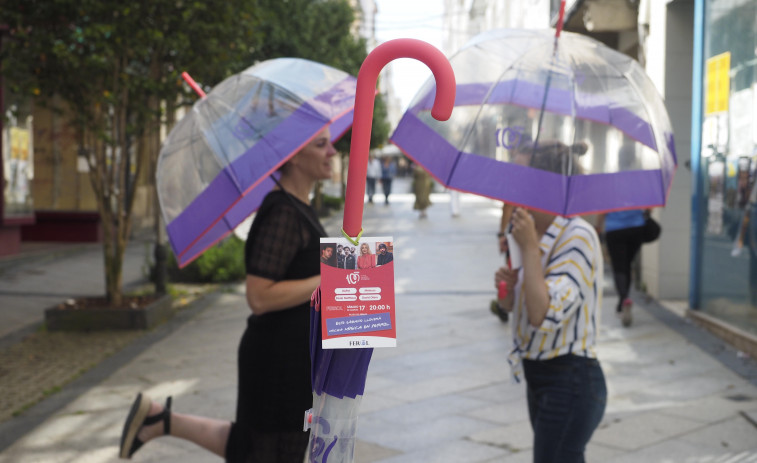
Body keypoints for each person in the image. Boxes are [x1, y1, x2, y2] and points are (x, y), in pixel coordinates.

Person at [119, 127, 337, 462]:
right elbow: (259, 296)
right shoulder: (282, 212)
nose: (332, 152)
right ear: (293, 156)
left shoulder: (301, 208)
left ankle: (160, 419)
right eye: (321, 145)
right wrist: (328, 279)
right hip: (277, 361)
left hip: (296, 359)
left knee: (253, 447)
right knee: (270, 452)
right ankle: (159, 420)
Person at [493, 140, 606, 463]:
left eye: (523, 182)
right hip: (538, 373)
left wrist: (529, 249)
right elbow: (516, 308)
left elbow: (543, 313)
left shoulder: (578, 236)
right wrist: (506, 290)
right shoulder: (533, 234)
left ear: (548, 187)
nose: (514, 193)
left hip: (570, 379)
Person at [595, 208, 649, 327]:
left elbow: (602, 212)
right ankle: (624, 299)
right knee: (627, 265)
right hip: (636, 229)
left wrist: (598, 226)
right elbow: (649, 208)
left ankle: (624, 298)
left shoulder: (609, 190)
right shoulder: (639, 189)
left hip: (615, 229)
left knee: (618, 266)